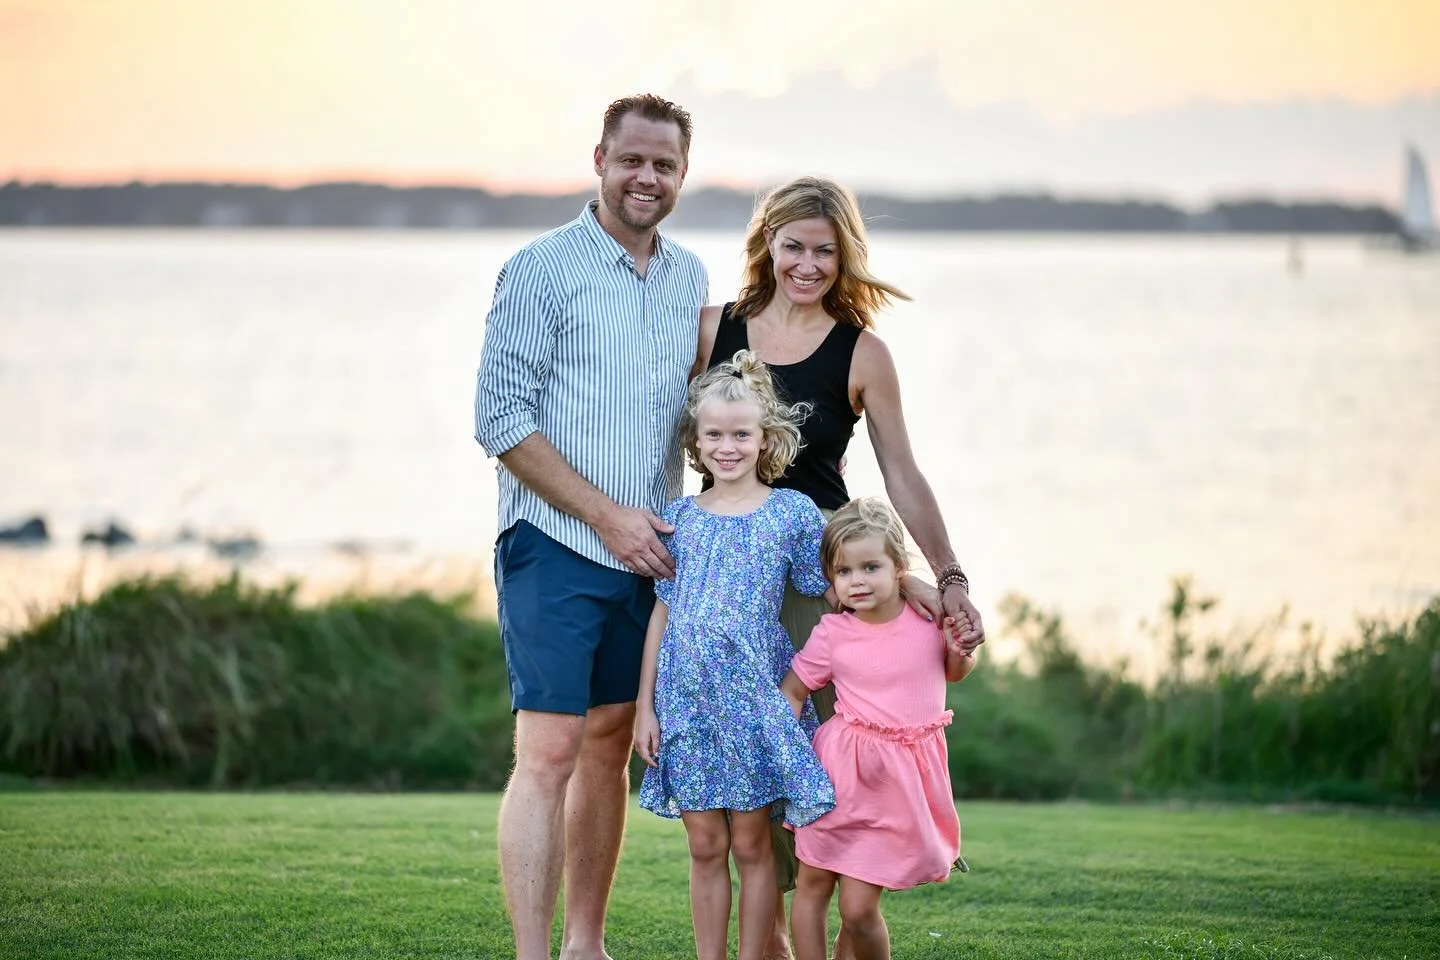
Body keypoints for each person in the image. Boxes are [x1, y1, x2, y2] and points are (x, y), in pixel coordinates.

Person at [693, 175, 984, 959]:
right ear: (768, 244)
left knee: (829, 776)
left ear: (845, 255)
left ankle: (848, 933)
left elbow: (901, 473)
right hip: (724, 579)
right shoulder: (712, 328)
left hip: (816, 583)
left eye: (825, 251)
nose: (808, 265)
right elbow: (674, 439)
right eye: (794, 246)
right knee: (745, 776)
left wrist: (944, 576)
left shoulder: (863, 353)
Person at [473, 93, 708, 960]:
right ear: (601, 160)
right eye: (632, 160)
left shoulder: (689, 279)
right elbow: (500, 420)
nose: (647, 177)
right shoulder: (540, 268)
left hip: (649, 554)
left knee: (609, 743)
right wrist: (606, 517)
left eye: (664, 164)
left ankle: (585, 946)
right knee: (550, 750)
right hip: (555, 543)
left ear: (683, 173)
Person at [633, 349, 837, 960]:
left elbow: (826, 589)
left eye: (741, 434)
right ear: (696, 441)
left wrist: (903, 591)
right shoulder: (679, 519)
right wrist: (645, 707)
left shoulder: (791, 513)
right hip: (686, 700)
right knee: (704, 845)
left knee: (751, 843)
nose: (728, 446)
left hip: (754, 702)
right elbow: (663, 613)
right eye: (715, 435)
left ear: (765, 437)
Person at [781, 498, 978, 960]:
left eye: (870, 567)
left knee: (857, 909)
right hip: (838, 776)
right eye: (844, 571)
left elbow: (954, 672)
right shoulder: (832, 633)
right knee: (813, 882)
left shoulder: (928, 621)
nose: (857, 581)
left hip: (896, 784)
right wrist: (790, 757)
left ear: (899, 568)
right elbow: (793, 689)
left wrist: (961, 649)